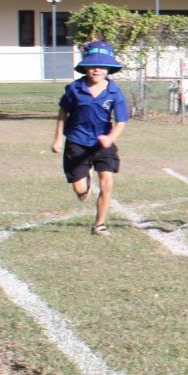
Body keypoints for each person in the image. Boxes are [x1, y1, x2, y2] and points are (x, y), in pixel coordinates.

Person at [50, 41, 128, 236]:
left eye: (102, 66)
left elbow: (121, 122)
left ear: (109, 68)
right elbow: (63, 113)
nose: (97, 69)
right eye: (93, 65)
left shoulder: (114, 92)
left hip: (102, 143)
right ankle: (84, 185)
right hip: (77, 142)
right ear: (85, 67)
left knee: (107, 183)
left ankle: (99, 225)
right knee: (80, 190)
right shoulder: (75, 89)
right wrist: (58, 139)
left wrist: (111, 138)